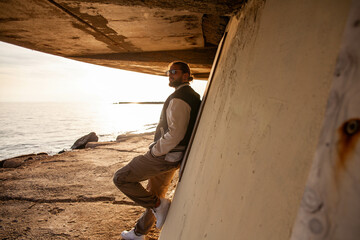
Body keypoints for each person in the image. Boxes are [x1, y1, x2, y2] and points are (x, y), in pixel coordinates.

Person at [113, 61, 201, 240]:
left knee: (121, 178)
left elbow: (176, 134)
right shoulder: (190, 95)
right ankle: (139, 232)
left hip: (165, 156)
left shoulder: (179, 98)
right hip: (173, 155)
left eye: (174, 72)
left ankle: (158, 206)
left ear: (186, 75)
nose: (170, 75)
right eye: (169, 72)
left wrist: (155, 151)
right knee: (155, 192)